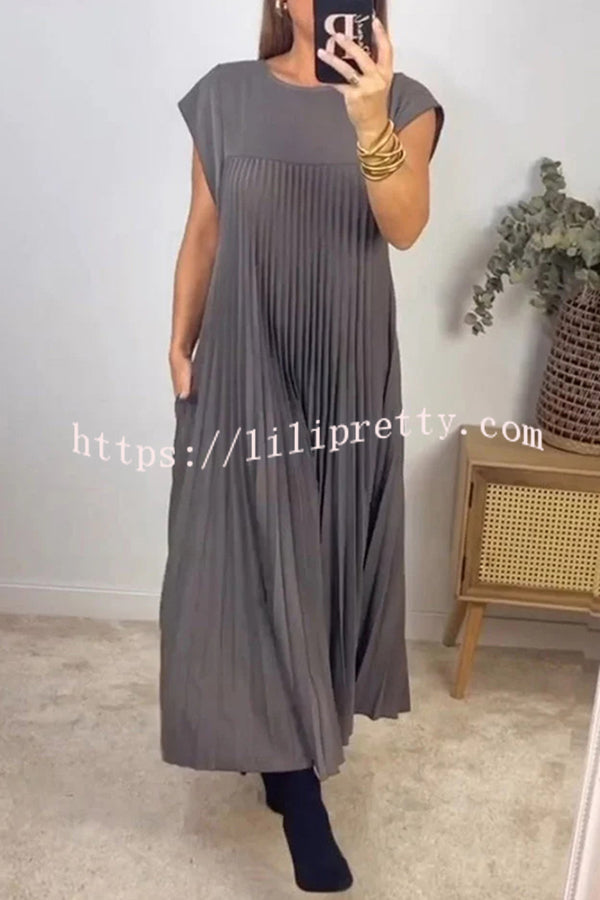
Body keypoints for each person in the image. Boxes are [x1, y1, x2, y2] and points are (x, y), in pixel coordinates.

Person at [160, 0, 444, 892]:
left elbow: (405, 226)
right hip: (247, 354)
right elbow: (205, 226)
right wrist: (180, 337)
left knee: (320, 558)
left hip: (346, 365)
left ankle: (289, 744)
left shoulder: (405, 101)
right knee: (248, 556)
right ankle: (297, 788)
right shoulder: (223, 96)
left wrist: (370, 118)